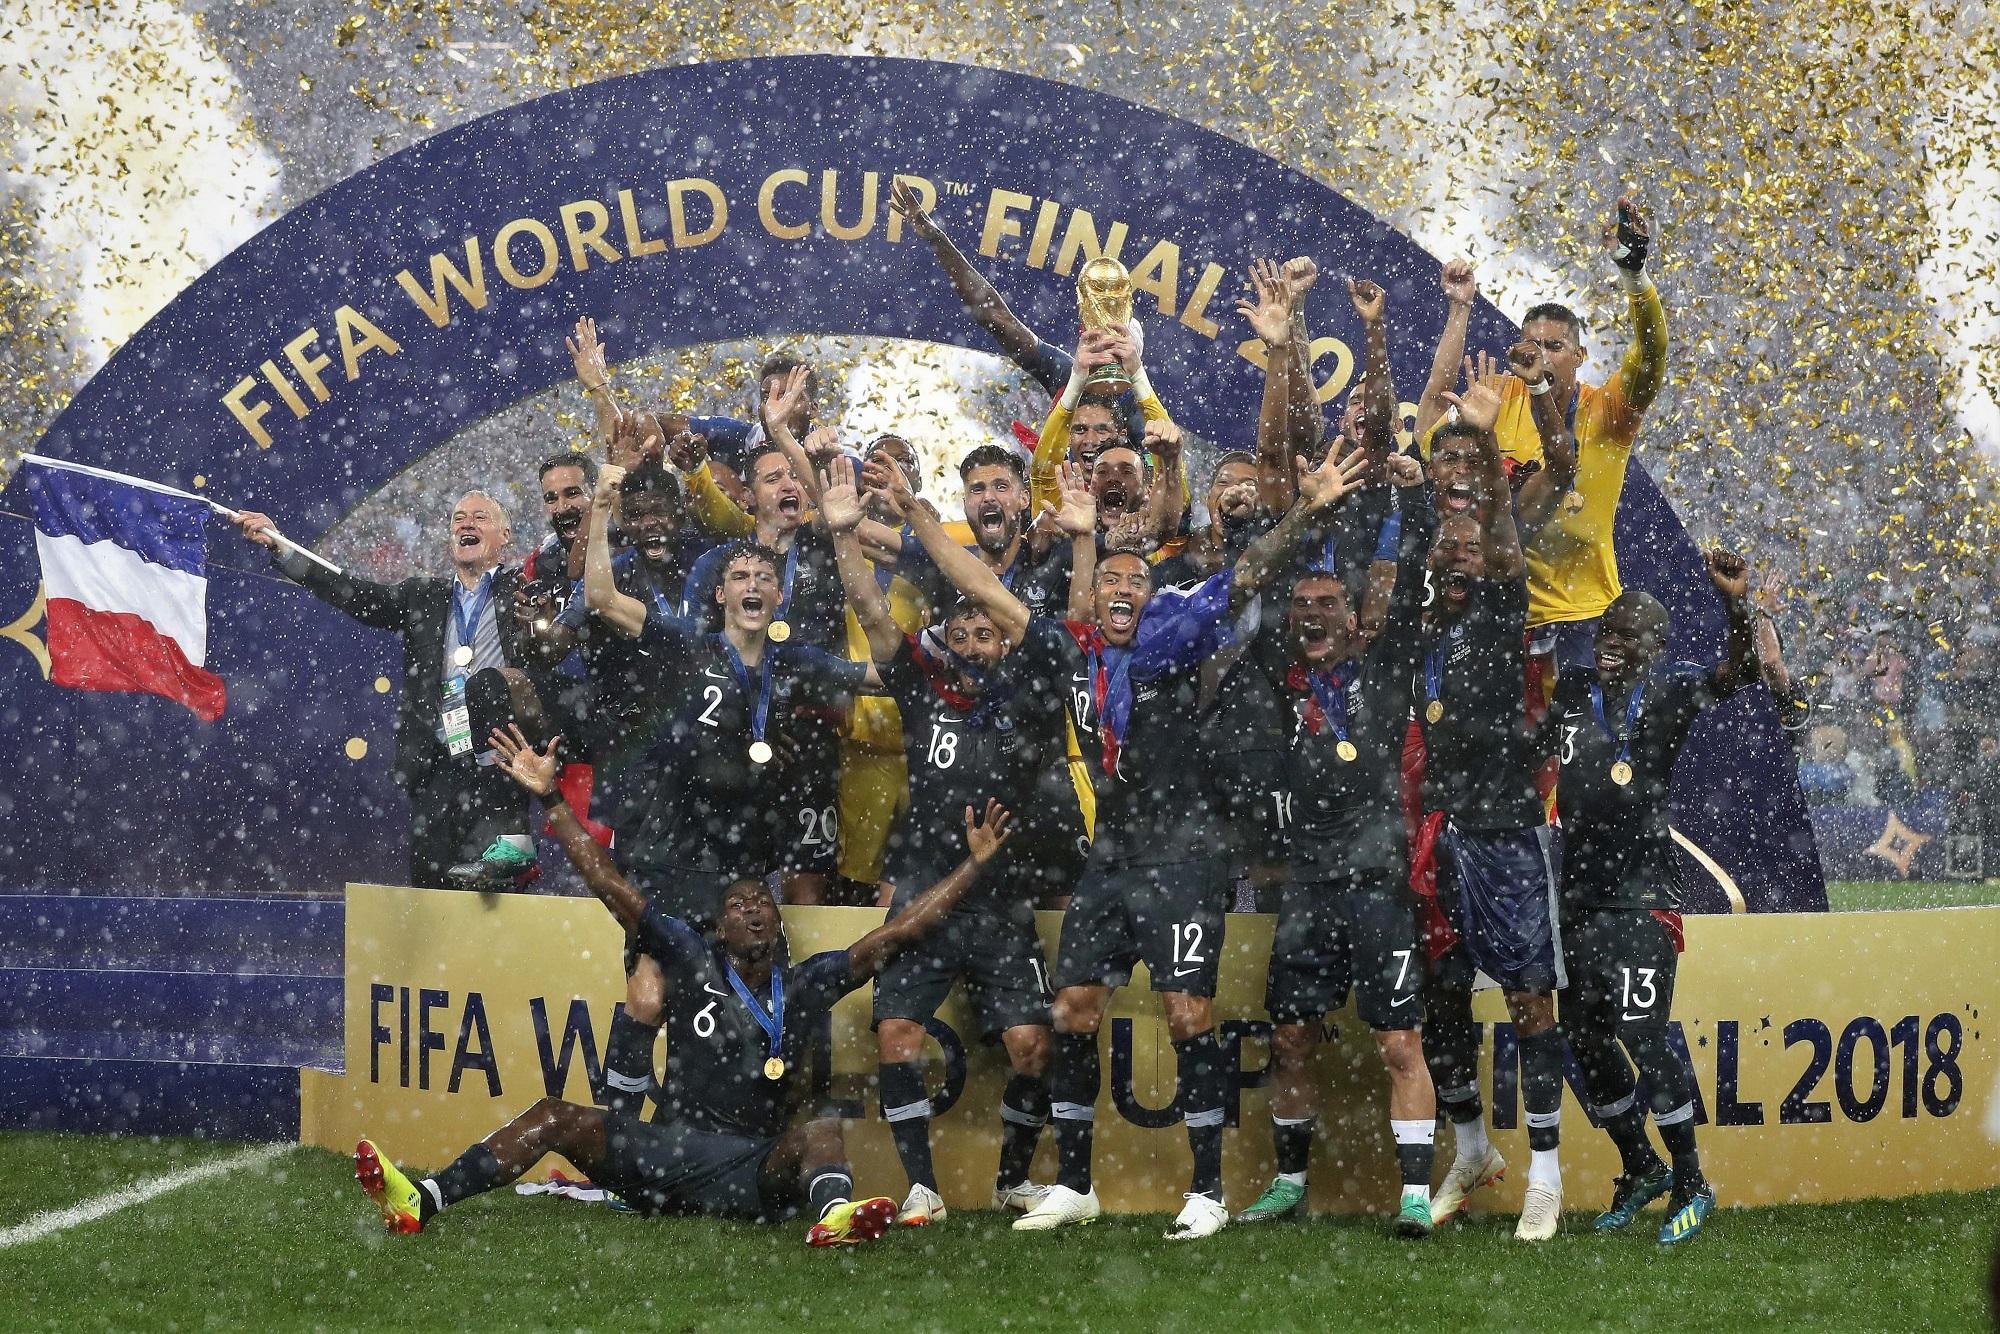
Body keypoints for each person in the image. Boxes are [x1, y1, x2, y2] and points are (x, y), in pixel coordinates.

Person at [352, 718, 1019, 1245]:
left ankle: (832, 1218)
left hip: (752, 1169)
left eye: (763, 902)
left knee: (821, 1131)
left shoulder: (811, 981)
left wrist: (975, 867)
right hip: (663, 1156)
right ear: (719, 929)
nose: (754, 907)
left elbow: (898, 932)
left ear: (779, 925)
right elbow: (608, 883)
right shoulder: (686, 955)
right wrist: (553, 801)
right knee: (554, 1115)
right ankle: (423, 1199)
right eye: (738, 906)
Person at [1000, 445, 1373, 1240]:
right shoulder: (1086, 654)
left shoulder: (1176, 628)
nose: (1125, 587)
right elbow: (1023, 598)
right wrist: (1074, 540)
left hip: (1186, 853)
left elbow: (1246, 574)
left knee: (1187, 1014)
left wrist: (1307, 509)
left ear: (1153, 592)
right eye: (1112, 578)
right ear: (1095, 592)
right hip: (1113, 856)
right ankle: (1075, 1185)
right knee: (1072, 1010)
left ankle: (1206, 1190)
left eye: (1136, 578)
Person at [826, 454, 1095, 1224]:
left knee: (1031, 1051)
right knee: (899, 1034)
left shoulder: (1032, 697)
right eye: (965, 632)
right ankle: (921, 1189)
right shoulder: (920, 686)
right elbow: (873, 615)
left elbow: (1067, 633)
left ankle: (1011, 1179)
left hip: (1001, 897)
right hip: (921, 889)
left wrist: (1079, 546)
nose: (977, 644)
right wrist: (846, 535)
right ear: (945, 635)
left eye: (989, 633)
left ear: (1004, 643)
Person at [580, 474, 880, 1116]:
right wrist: (603, 505)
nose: (752, 586)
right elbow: (602, 596)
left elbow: (885, 673)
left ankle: (762, 1132)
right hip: (675, 856)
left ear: (780, 593)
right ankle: (615, 1140)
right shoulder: (685, 647)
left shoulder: (797, 661)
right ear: (719, 594)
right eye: (740, 577)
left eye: (763, 578)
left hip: (743, 866)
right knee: (651, 995)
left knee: (758, 993)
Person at [1537, 549, 1755, 1245]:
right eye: (1606, 626)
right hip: (1579, 897)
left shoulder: (1673, 688)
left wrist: (1734, 605)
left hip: (1641, 896)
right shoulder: (1573, 689)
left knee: (1643, 1031)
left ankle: (1691, 1180)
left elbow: (1738, 673)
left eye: (1628, 633)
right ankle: (1639, 1166)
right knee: (1583, 1034)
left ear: (1657, 647)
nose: (1611, 639)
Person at [1404, 370, 1571, 1242]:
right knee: (1439, 997)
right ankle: (1471, 1148)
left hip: (1506, 828)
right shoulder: (1422, 615)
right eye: (1450, 541)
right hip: (1437, 832)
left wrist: (1490, 467)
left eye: (1473, 541)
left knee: (1528, 1000)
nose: (1460, 551)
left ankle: (1546, 1171)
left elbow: (1506, 539)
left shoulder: (1505, 600)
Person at [1416, 201, 1667, 681]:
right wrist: (1459, 311)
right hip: (1498, 607)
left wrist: (1634, 278)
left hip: (1580, 612)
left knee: (1566, 748)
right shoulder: (1496, 396)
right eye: (1532, 345)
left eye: (1555, 346)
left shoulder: (1609, 410)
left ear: (1580, 355)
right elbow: (1428, 435)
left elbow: (1652, 357)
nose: (1542, 355)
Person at [232, 493, 534, 891]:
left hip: (501, 759)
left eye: (480, 517)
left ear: (505, 534)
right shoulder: (423, 596)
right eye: (459, 518)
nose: (467, 524)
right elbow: (351, 592)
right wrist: (281, 545)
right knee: (434, 887)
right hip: (437, 762)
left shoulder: (524, 589)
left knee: (498, 892)